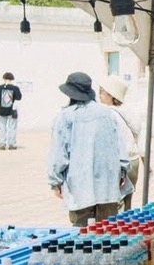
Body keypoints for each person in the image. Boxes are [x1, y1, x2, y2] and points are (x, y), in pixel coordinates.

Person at [47, 71, 128, 227]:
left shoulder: (65, 117)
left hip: (80, 189)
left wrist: (55, 182)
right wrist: (122, 172)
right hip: (108, 188)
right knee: (106, 232)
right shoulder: (107, 113)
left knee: (83, 233)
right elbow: (121, 148)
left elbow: (58, 155)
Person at [98, 74, 141, 211]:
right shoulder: (128, 112)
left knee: (117, 205)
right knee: (126, 201)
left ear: (111, 95)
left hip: (120, 162)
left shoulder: (109, 115)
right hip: (133, 161)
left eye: (102, 91)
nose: (99, 95)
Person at [0, 72, 22, 150]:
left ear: (4, 79)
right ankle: (12, 144)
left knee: (2, 128)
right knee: (12, 128)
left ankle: (2, 144)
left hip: (1, 111)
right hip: (12, 111)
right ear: (12, 79)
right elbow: (19, 98)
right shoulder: (15, 88)